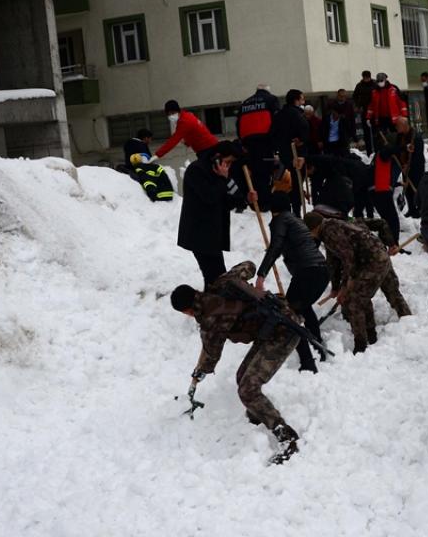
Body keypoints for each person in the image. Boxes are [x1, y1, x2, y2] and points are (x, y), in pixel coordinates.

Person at [170, 261, 301, 462]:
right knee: (242, 377)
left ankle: (287, 438)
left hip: (283, 333)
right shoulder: (221, 284)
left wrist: (200, 371)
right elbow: (249, 265)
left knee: (248, 389)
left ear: (187, 311)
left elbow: (211, 355)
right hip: (275, 325)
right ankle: (257, 417)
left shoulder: (210, 321)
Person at [305, 211, 411, 354]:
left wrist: (346, 284)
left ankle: (361, 346)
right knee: (379, 294)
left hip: (371, 262)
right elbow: (333, 261)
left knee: (355, 300)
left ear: (313, 228)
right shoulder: (337, 225)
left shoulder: (330, 232)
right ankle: (386, 331)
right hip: (378, 256)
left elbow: (348, 257)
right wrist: (336, 287)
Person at [256, 193, 330, 373]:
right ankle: (317, 345)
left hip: (308, 272)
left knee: (288, 316)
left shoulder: (280, 220)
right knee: (303, 307)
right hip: (320, 271)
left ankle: (308, 362)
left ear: (273, 210)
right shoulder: (295, 221)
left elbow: (276, 247)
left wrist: (261, 274)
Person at [178, 141, 256, 285]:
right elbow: (210, 197)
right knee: (216, 277)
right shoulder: (197, 170)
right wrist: (222, 178)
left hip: (212, 234)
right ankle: (212, 304)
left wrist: (246, 199)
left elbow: (230, 200)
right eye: (228, 161)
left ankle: (213, 303)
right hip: (198, 233)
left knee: (215, 277)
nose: (229, 166)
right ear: (217, 157)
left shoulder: (221, 173)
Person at [237, 85, 281, 210]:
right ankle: (264, 203)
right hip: (265, 141)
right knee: (266, 172)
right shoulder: (271, 99)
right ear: (267, 91)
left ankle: (255, 201)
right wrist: (276, 142)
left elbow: (238, 123)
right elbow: (277, 121)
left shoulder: (245, 103)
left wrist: (243, 142)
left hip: (249, 144)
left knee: (255, 172)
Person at [270, 90, 311, 213]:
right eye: (302, 99)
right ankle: (297, 210)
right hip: (297, 154)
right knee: (297, 182)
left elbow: (273, 134)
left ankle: (295, 208)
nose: (303, 101)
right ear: (296, 100)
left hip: (285, 154)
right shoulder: (297, 115)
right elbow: (305, 132)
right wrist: (302, 142)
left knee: (293, 182)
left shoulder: (279, 115)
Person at [322, 90, 356, 157]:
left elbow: (352, 120)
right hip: (331, 137)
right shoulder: (331, 105)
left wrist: (353, 135)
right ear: (337, 96)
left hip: (344, 134)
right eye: (341, 96)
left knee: (344, 154)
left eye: (344, 96)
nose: (342, 98)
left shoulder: (349, 105)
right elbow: (324, 124)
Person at [352, 71, 376, 154]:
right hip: (364, 110)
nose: (366, 79)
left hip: (374, 110)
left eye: (367, 77)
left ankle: (377, 151)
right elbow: (354, 96)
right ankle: (369, 152)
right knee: (366, 133)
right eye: (364, 77)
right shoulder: (359, 85)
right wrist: (358, 106)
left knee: (376, 132)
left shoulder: (375, 84)